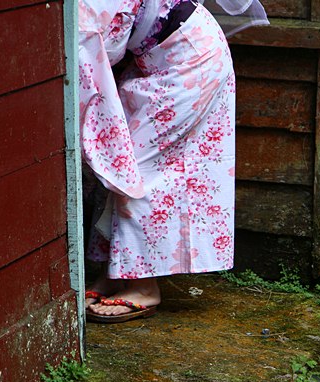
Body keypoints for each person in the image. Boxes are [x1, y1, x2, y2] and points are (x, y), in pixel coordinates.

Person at [78, 0, 268, 322]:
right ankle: (115, 272)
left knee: (133, 167)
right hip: (160, 60)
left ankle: (143, 286)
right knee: (120, 157)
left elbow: (102, 44)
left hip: (191, 62)